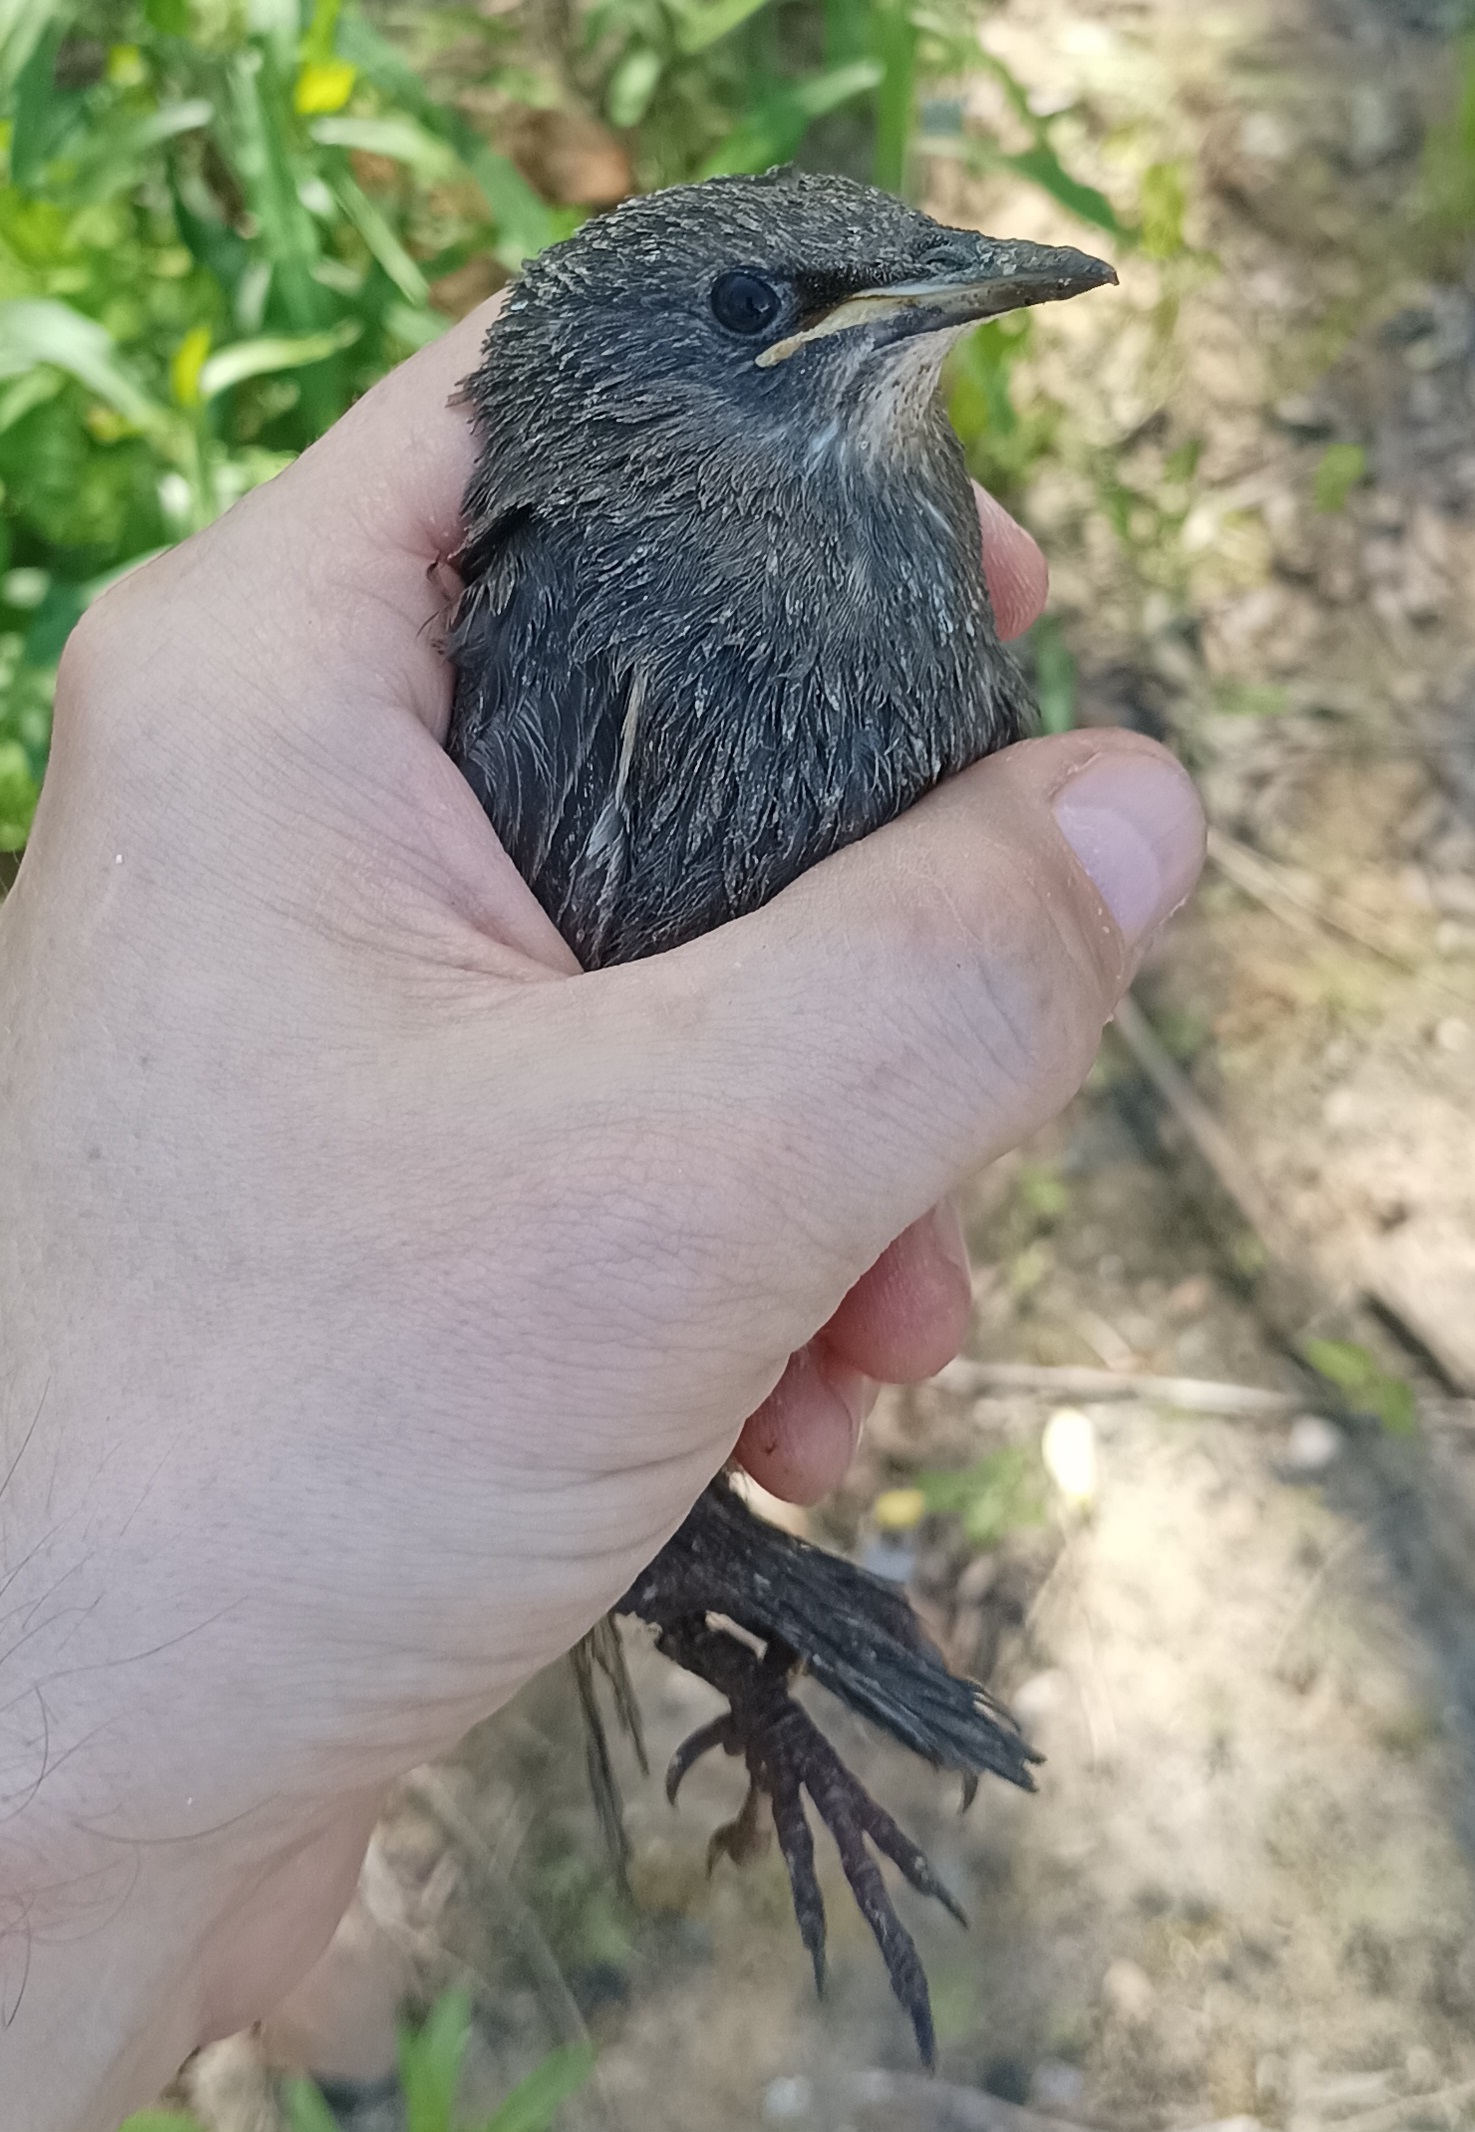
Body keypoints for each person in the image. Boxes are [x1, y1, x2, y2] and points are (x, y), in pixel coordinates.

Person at [0, 294, 1205, 2131]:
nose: (959, 283)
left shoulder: (875, 531)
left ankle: (310, 1996)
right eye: (769, 306)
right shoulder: (594, 576)